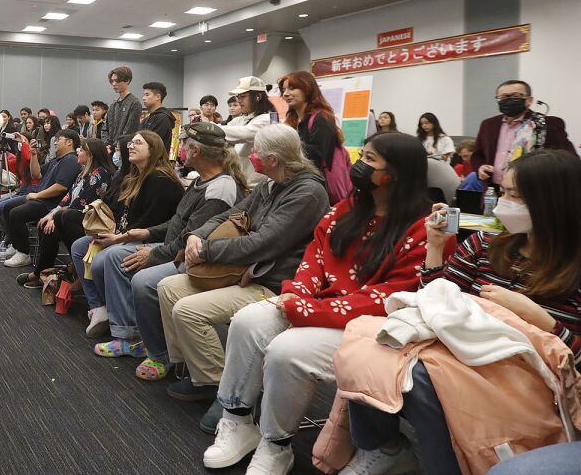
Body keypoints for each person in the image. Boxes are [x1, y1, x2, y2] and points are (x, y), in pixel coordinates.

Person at [201, 131, 448, 474]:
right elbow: (316, 254)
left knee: (286, 351)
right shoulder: (348, 208)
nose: (358, 165)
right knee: (247, 321)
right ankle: (237, 420)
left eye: (370, 160)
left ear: (395, 173)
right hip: (316, 305)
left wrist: (306, 309)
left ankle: (276, 444)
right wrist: (298, 294)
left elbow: (389, 297)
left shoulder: (423, 230)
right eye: (362, 156)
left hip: (368, 326)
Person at [339, 150, 581, 475]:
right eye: (503, 191)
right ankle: (385, 446)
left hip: (528, 379)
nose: (501, 203)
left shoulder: (573, 270)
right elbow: (436, 300)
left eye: (514, 195)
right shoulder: (486, 242)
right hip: (463, 353)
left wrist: (543, 322)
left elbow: (573, 363)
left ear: (552, 202)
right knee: (369, 342)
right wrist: (436, 247)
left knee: (424, 379)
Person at [159, 125, 329, 433]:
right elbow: (230, 215)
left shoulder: (307, 193)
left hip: (274, 283)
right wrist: (197, 235)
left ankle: (229, 392)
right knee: (168, 288)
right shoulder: (271, 183)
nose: (251, 157)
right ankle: (204, 375)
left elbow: (263, 243)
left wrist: (207, 250)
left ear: (275, 160)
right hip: (246, 271)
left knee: (187, 310)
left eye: (258, 153)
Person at [115, 122, 248, 380]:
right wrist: (148, 233)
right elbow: (178, 222)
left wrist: (152, 255)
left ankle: (159, 354)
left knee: (143, 281)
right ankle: (133, 334)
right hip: (174, 249)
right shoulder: (201, 180)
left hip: (199, 259)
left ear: (196, 151)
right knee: (115, 258)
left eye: (185, 145)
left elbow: (192, 239)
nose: (182, 150)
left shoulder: (220, 187)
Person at [74, 130, 184, 353]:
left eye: (138, 143)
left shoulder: (159, 178)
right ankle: (102, 308)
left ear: (152, 150)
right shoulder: (136, 175)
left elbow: (149, 223)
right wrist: (113, 233)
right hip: (131, 235)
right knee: (80, 247)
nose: (130, 147)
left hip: (156, 239)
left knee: (106, 258)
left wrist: (117, 239)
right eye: (131, 142)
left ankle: (128, 332)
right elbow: (125, 215)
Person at [17, 138, 114, 288]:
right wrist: (51, 215)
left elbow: (82, 204)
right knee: (46, 224)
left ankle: (69, 270)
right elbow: (67, 197)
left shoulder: (100, 174)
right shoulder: (84, 172)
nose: (78, 151)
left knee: (55, 223)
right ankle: (44, 273)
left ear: (91, 155)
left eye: (81, 150)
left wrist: (55, 217)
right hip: (72, 216)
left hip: (89, 221)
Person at [0, 129, 83, 268]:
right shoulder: (57, 159)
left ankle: (24, 253)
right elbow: (36, 174)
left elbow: (61, 187)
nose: (55, 143)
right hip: (39, 197)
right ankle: (16, 245)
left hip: (49, 203)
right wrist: (33, 155)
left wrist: (37, 195)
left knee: (16, 213)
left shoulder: (71, 160)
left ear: (69, 142)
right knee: (7, 207)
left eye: (58, 139)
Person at [472, 80, 577, 186]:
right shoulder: (488, 124)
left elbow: (567, 158)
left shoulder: (548, 124)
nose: (509, 100)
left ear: (529, 100)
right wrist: (481, 167)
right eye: (503, 97)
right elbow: (477, 155)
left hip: (534, 191)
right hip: (494, 191)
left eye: (516, 96)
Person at [279, 71, 344, 194]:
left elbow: (316, 156)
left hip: (318, 187)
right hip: (301, 183)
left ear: (307, 89)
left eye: (292, 88)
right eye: (283, 90)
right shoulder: (293, 120)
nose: (286, 94)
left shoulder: (321, 118)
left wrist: (284, 150)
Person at [219, 76, 272, 186]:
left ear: (257, 97)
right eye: (238, 97)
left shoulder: (268, 119)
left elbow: (244, 133)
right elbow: (225, 129)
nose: (239, 101)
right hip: (244, 184)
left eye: (243, 96)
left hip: (258, 186)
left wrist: (210, 127)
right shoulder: (242, 119)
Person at [104, 66, 143, 149]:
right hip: (109, 150)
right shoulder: (113, 105)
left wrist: (114, 146)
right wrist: (107, 144)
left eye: (117, 81)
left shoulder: (134, 103)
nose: (114, 84)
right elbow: (105, 129)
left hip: (125, 150)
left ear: (127, 80)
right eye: (112, 81)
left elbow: (130, 131)